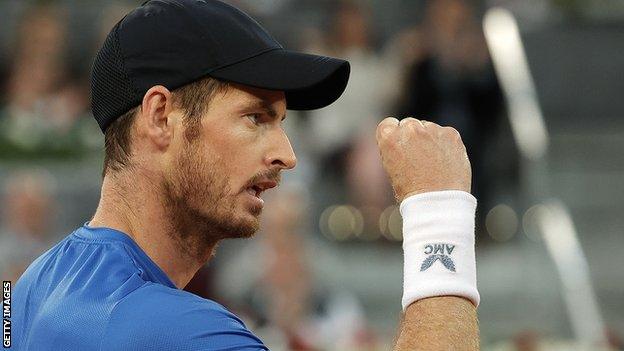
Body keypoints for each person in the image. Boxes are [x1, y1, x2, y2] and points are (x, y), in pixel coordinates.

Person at [12, 0, 479, 350]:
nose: (287, 155)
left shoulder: (32, 286)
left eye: (282, 122)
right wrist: (439, 210)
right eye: (255, 118)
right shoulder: (183, 332)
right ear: (160, 117)